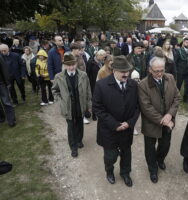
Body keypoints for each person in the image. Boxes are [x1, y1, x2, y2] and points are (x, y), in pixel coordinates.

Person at [92, 55, 140, 187]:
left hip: (126, 128)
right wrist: (114, 125)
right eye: (122, 71)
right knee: (110, 156)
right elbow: (97, 108)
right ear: (114, 71)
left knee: (126, 154)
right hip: (109, 129)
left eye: (127, 71)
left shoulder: (134, 85)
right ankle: (109, 172)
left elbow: (137, 107)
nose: (126, 74)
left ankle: (125, 173)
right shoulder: (101, 85)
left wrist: (130, 123)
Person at [138, 56, 180, 183]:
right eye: (156, 71)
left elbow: (177, 98)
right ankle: (152, 169)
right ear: (150, 70)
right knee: (150, 149)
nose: (160, 73)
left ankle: (160, 159)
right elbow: (146, 107)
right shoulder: (143, 84)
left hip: (168, 121)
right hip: (151, 123)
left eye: (162, 70)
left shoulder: (170, 78)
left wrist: (170, 115)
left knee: (165, 145)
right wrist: (164, 119)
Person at [52, 52, 92, 158]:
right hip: (68, 106)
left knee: (80, 123)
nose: (71, 67)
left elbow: (88, 90)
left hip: (80, 104)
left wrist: (89, 105)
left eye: (73, 64)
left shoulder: (83, 75)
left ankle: (79, 140)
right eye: (68, 65)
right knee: (71, 127)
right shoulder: (59, 77)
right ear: (65, 65)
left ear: (76, 64)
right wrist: (60, 101)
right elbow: (54, 90)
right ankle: (73, 146)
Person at [175, 37, 188, 102]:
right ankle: (175, 98)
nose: (187, 44)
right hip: (180, 71)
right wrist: (177, 70)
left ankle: (185, 98)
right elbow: (175, 62)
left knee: (187, 86)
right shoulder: (179, 51)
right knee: (178, 85)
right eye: (186, 42)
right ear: (183, 43)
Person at [0, 55, 16, 127]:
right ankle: (1, 117)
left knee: (6, 101)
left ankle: (11, 120)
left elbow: (4, 69)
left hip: (1, 83)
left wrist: (7, 82)